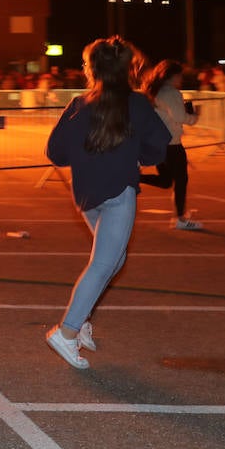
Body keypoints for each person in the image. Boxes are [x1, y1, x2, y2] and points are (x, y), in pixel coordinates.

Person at [44, 37, 170, 369]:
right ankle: (67, 332)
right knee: (104, 264)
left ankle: (81, 318)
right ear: (129, 68)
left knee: (114, 259)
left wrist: (87, 154)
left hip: (86, 195)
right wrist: (136, 154)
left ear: (93, 69)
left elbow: (55, 153)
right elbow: (159, 146)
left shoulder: (78, 104)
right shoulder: (138, 104)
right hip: (117, 192)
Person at [139, 60, 202, 230]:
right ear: (172, 76)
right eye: (180, 75)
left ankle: (135, 177)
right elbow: (180, 117)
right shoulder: (172, 93)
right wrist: (195, 116)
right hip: (172, 143)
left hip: (158, 142)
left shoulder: (153, 91)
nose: (181, 79)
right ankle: (180, 218)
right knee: (181, 180)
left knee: (166, 180)